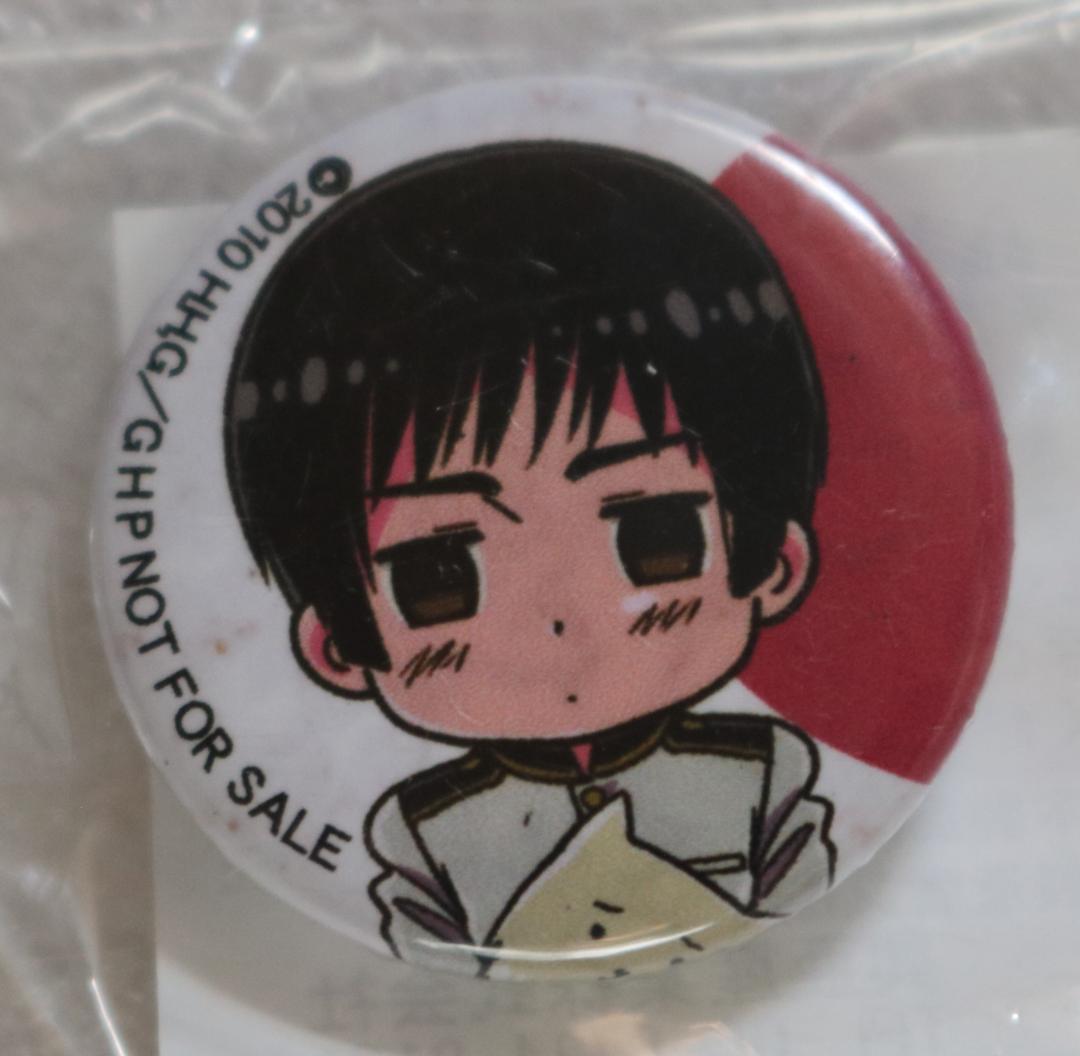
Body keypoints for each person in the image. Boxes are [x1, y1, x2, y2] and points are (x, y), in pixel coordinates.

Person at [225, 141, 836, 976]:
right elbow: (429, 951)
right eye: (442, 576)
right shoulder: (423, 832)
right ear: (337, 645)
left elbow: (800, 894)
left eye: (652, 536)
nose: (558, 617)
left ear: (772, 565)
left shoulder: (761, 776)